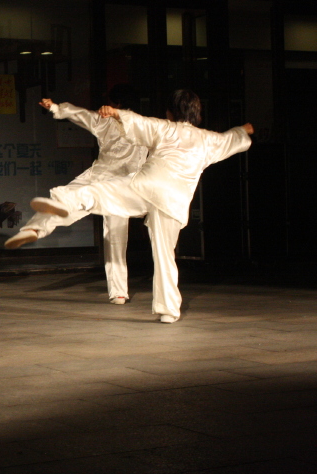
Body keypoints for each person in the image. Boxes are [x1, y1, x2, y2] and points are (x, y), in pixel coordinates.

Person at [25, 89, 253, 323]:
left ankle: (60, 208)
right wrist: (242, 131)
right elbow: (228, 140)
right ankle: (167, 310)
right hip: (173, 201)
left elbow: (130, 122)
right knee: (163, 255)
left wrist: (112, 114)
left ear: (170, 112)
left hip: (142, 186)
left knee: (95, 196)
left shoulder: (163, 127)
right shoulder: (207, 139)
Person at [5, 85, 147, 305]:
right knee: (115, 237)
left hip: (100, 176)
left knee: (68, 197)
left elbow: (82, 115)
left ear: (117, 104)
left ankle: (36, 228)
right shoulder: (146, 125)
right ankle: (119, 292)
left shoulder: (106, 121)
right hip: (123, 187)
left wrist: (56, 108)